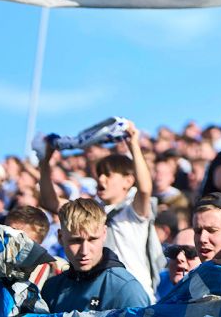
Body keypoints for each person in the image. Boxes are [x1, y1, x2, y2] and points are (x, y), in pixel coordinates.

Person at [40, 120, 159, 299]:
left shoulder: (133, 211)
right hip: (102, 291)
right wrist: (44, 162)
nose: (101, 179)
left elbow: (144, 189)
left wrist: (133, 143)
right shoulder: (93, 212)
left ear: (128, 180)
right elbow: (51, 202)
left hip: (136, 294)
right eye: (100, 174)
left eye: (109, 175)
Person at [40, 199, 150, 312]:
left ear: (104, 234)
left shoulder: (126, 288)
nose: (84, 251)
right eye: (76, 241)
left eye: (92, 239)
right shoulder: (51, 288)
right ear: (60, 237)